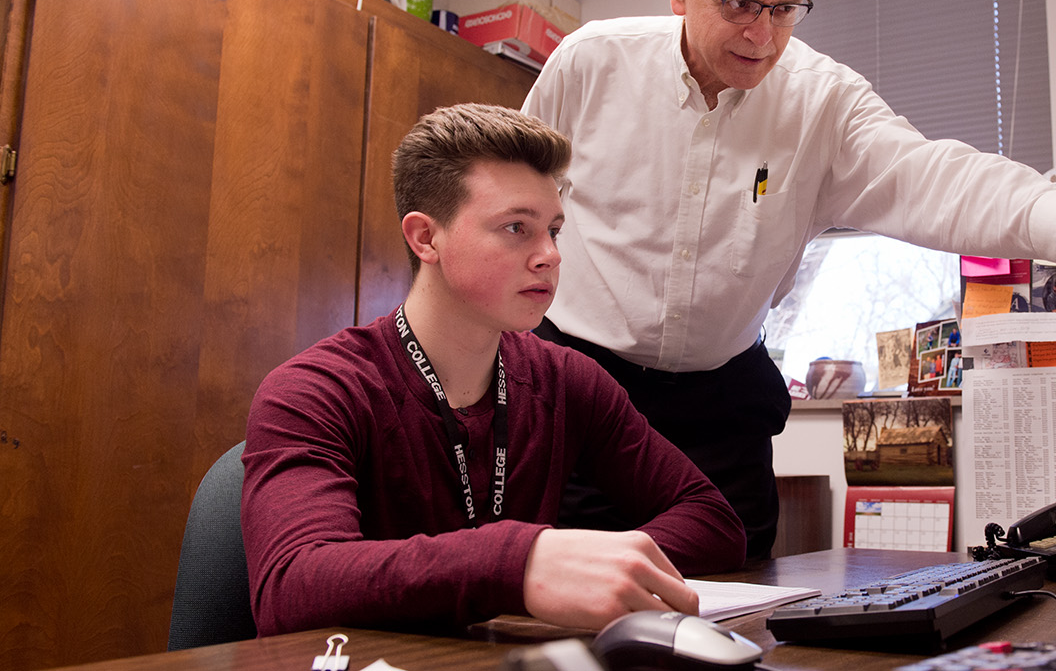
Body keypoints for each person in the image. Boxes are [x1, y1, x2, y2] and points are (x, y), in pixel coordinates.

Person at [522, 0, 1056, 559]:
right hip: (581, 394)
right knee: (563, 614)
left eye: (786, 8)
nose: (763, 35)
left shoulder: (821, 100)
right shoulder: (590, 64)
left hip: (723, 411)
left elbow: (936, 178)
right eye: (741, 4)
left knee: (730, 615)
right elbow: (515, 205)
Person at [240, 104, 746, 637]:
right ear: (425, 238)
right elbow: (291, 585)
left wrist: (589, 566)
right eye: (515, 228)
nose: (549, 255)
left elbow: (712, 520)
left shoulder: (567, 380)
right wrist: (520, 564)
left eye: (554, 230)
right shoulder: (314, 391)